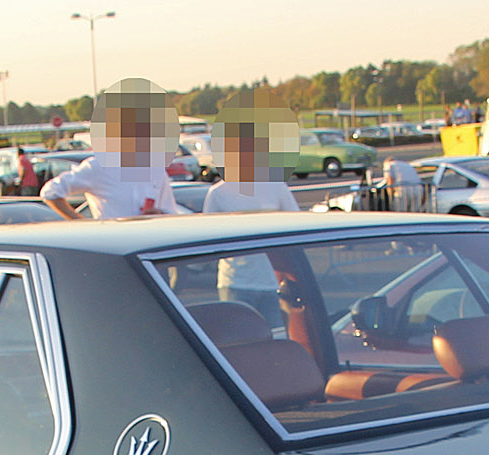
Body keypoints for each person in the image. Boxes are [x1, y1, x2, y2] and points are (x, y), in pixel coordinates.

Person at [202, 102, 299, 326]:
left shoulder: (276, 185)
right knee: (239, 343)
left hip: (275, 283)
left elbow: (297, 227)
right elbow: (207, 239)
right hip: (235, 283)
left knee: (276, 343)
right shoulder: (217, 193)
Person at [40, 78, 188, 221]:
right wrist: (82, 223)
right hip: (111, 243)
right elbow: (50, 192)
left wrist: (159, 214)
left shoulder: (156, 170)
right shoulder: (98, 167)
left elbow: (171, 214)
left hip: (150, 242)